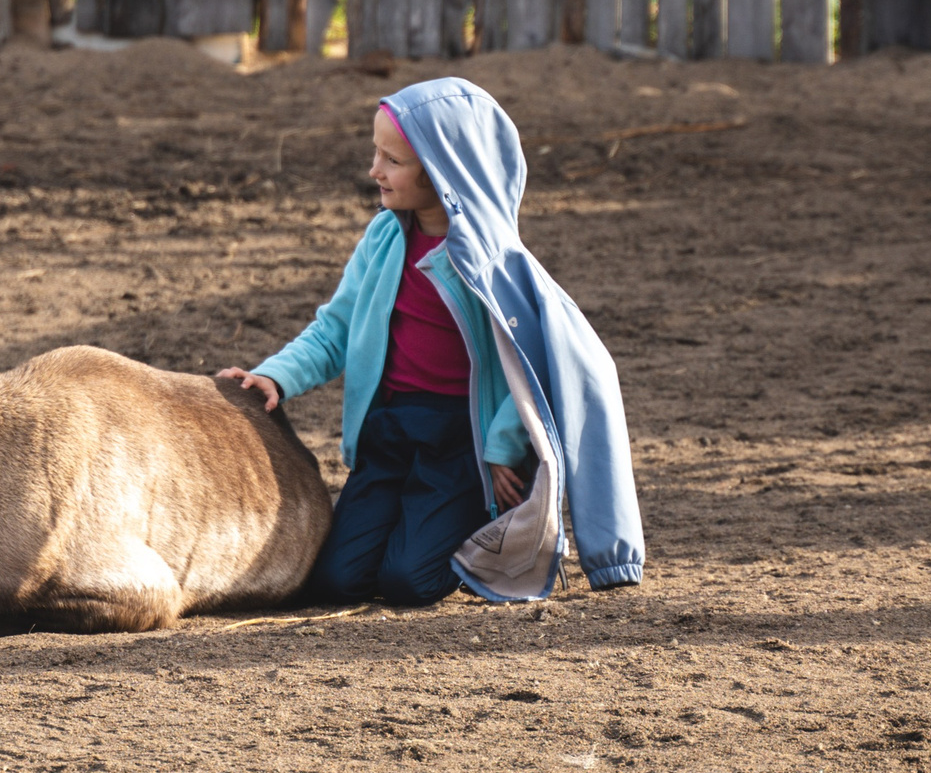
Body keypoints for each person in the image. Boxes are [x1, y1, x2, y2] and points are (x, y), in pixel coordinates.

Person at [215, 76, 643, 606]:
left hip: (458, 443)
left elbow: (533, 369)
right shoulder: (383, 236)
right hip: (388, 434)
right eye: (376, 153)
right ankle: (412, 524)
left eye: (392, 159)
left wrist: (503, 447)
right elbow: (335, 329)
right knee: (336, 582)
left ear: (440, 170)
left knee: (407, 583)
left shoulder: (490, 262)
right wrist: (276, 374)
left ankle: (475, 531)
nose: (374, 169)